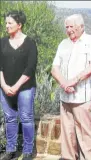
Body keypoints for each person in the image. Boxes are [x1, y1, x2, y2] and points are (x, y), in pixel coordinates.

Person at [51, 14, 91, 160]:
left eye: (71, 26)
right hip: (65, 95)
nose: (68, 30)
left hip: (83, 97)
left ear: (81, 26)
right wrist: (64, 83)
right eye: (66, 27)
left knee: (85, 133)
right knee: (67, 132)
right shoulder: (63, 44)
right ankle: (68, 158)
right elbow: (54, 68)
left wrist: (73, 81)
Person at [0, 10, 38, 160]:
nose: (6, 26)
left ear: (19, 25)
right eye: (6, 22)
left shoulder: (30, 43)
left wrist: (16, 86)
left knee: (26, 118)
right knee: (9, 118)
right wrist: (3, 85)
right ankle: (11, 150)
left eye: (10, 23)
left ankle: (28, 151)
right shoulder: (2, 42)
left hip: (25, 88)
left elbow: (31, 68)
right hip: (4, 87)